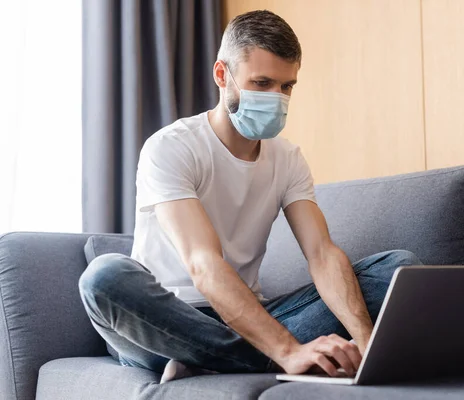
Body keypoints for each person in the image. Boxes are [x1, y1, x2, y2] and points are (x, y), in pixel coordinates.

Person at [78, 9, 422, 384]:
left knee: (396, 270)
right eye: (261, 83)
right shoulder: (171, 147)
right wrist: (288, 350)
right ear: (222, 75)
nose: (276, 98)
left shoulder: (288, 159)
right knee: (104, 277)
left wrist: (369, 343)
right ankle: (262, 358)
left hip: (252, 319)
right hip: (164, 321)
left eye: (286, 86)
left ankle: (214, 359)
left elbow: (322, 254)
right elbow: (202, 262)